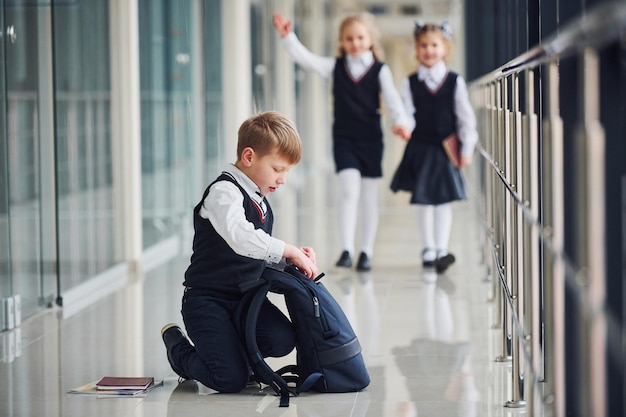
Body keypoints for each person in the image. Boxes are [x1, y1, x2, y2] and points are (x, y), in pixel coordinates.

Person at [161, 111, 318, 393]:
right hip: (207, 300)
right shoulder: (224, 193)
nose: (282, 179)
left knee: (282, 340)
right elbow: (242, 239)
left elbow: (258, 251)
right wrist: (288, 249)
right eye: (278, 169)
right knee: (230, 380)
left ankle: (229, 352)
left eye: (287, 172)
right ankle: (178, 350)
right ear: (249, 157)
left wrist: (293, 258)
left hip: (245, 298)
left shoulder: (259, 196)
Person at [272, 12, 411, 271]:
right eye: (349, 38)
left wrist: (401, 122)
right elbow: (308, 60)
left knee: (368, 196)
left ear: (370, 40)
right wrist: (288, 37)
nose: (355, 43)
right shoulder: (335, 67)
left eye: (360, 37)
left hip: (371, 140)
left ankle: (366, 252)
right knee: (348, 191)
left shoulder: (380, 70)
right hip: (344, 139)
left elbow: (393, 100)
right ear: (342, 41)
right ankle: (346, 249)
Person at [390, 21, 478, 273]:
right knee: (423, 200)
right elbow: (408, 113)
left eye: (434, 45)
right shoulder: (410, 82)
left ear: (445, 48)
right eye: (424, 45)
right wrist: (403, 125)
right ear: (417, 49)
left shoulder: (454, 81)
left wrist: (466, 148)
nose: (429, 50)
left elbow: (465, 118)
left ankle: (441, 248)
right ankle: (428, 247)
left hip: (445, 150)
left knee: (442, 201)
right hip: (420, 147)